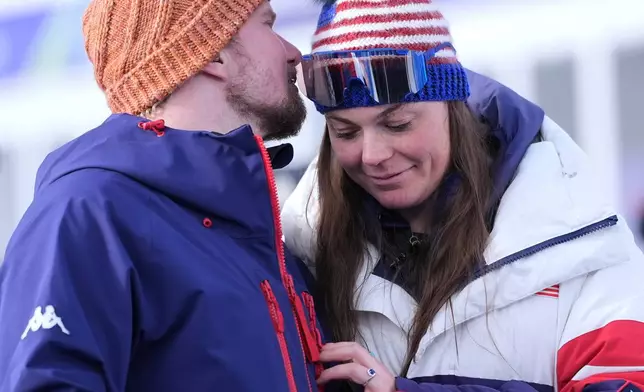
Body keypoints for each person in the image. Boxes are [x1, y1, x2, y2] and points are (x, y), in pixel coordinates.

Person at [281, 0, 644, 391]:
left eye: (398, 124)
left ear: (453, 108)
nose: (372, 156)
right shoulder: (307, 248)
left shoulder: (579, 234)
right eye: (346, 132)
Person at [0, 0, 331, 390]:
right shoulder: (88, 211)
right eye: (267, 26)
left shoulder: (255, 234)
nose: (293, 52)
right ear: (215, 54)